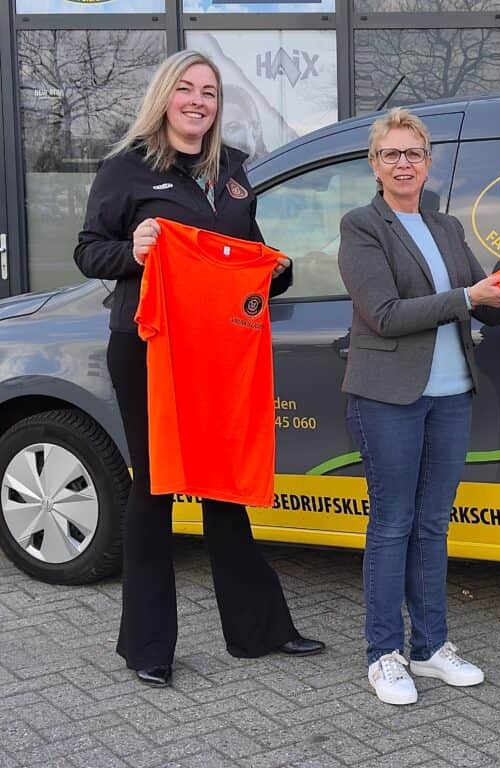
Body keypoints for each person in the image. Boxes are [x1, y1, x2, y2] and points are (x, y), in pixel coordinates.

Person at [74, 50, 323, 689]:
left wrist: (275, 270)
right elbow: (89, 252)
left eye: (209, 92)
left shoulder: (232, 170)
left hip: (219, 348)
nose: (197, 101)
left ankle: (258, 630)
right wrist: (131, 250)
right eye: (186, 89)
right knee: (155, 486)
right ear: (165, 96)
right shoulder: (126, 168)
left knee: (223, 484)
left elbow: (244, 253)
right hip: (149, 345)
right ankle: (148, 647)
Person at [338, 107, 500, 706]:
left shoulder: (445, 227)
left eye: (412, 153)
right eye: (390, 153)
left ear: (428, 162)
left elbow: (485, 302)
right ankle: (384, 653)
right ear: (374, 164)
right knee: (393, 524)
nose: (403, 163)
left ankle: (430, 646)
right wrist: (467, 296)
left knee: (434, 524)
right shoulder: (362, 226)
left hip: (451, 395)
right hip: (388, 397)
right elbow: (384, 314)